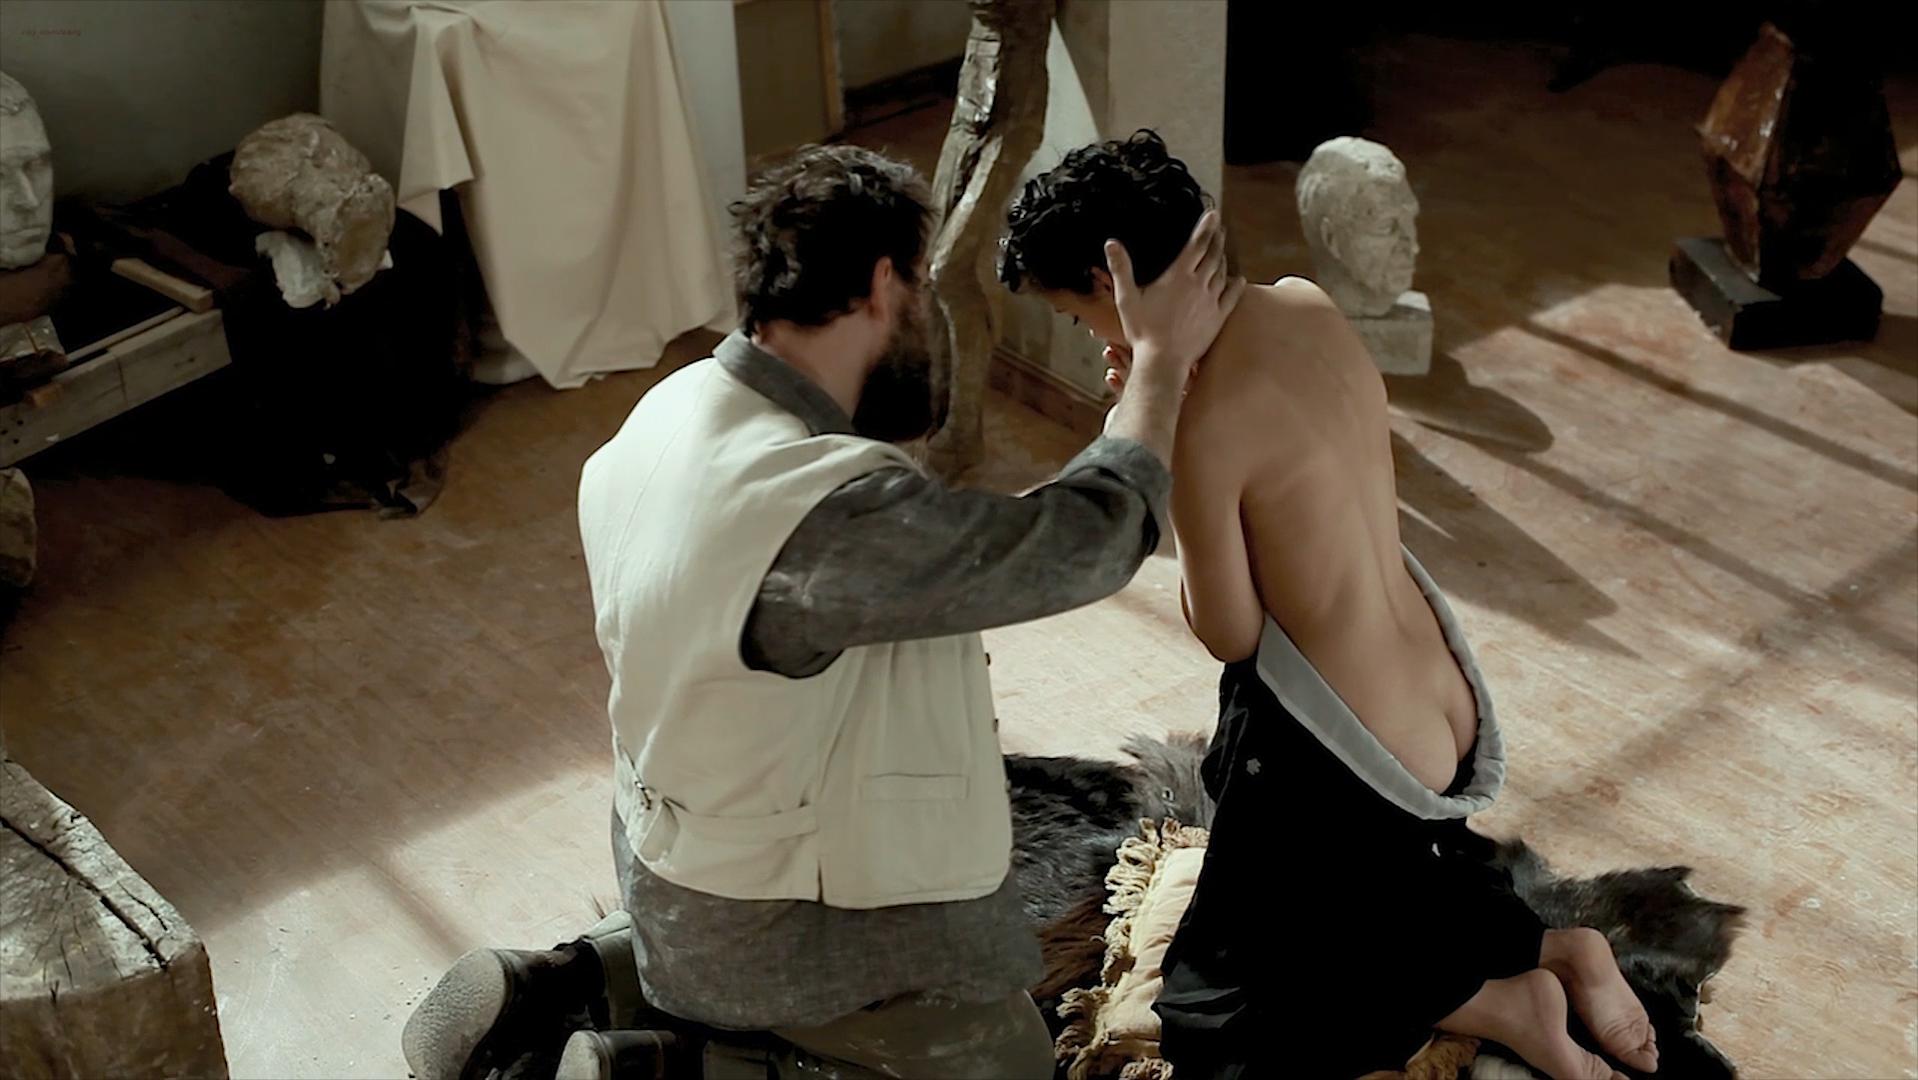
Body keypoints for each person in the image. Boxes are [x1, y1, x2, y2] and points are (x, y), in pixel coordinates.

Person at [402, 143, 1240, 1079]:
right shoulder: (817, 516)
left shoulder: (671, 408)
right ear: (884, 285)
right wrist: (1160, 359)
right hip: (769, 930)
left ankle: (570, 980)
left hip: (665, 862)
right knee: (1011, 1059)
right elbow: (1083, 539)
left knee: (725, 899)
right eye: (921, 289)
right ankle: (685, 1068)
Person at [998, 130, 1660, 1080]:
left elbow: (1229, 631)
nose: (1089, 338)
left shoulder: (1204, 420)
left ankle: (1509, 1002)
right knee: (1353, 889)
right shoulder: (1305, 303)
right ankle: (1564, 948)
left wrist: (1155, 437)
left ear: (1114, 285)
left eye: (1078, 316)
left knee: (1216, 1011)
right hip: (1439, 693)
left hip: (1353, 749)